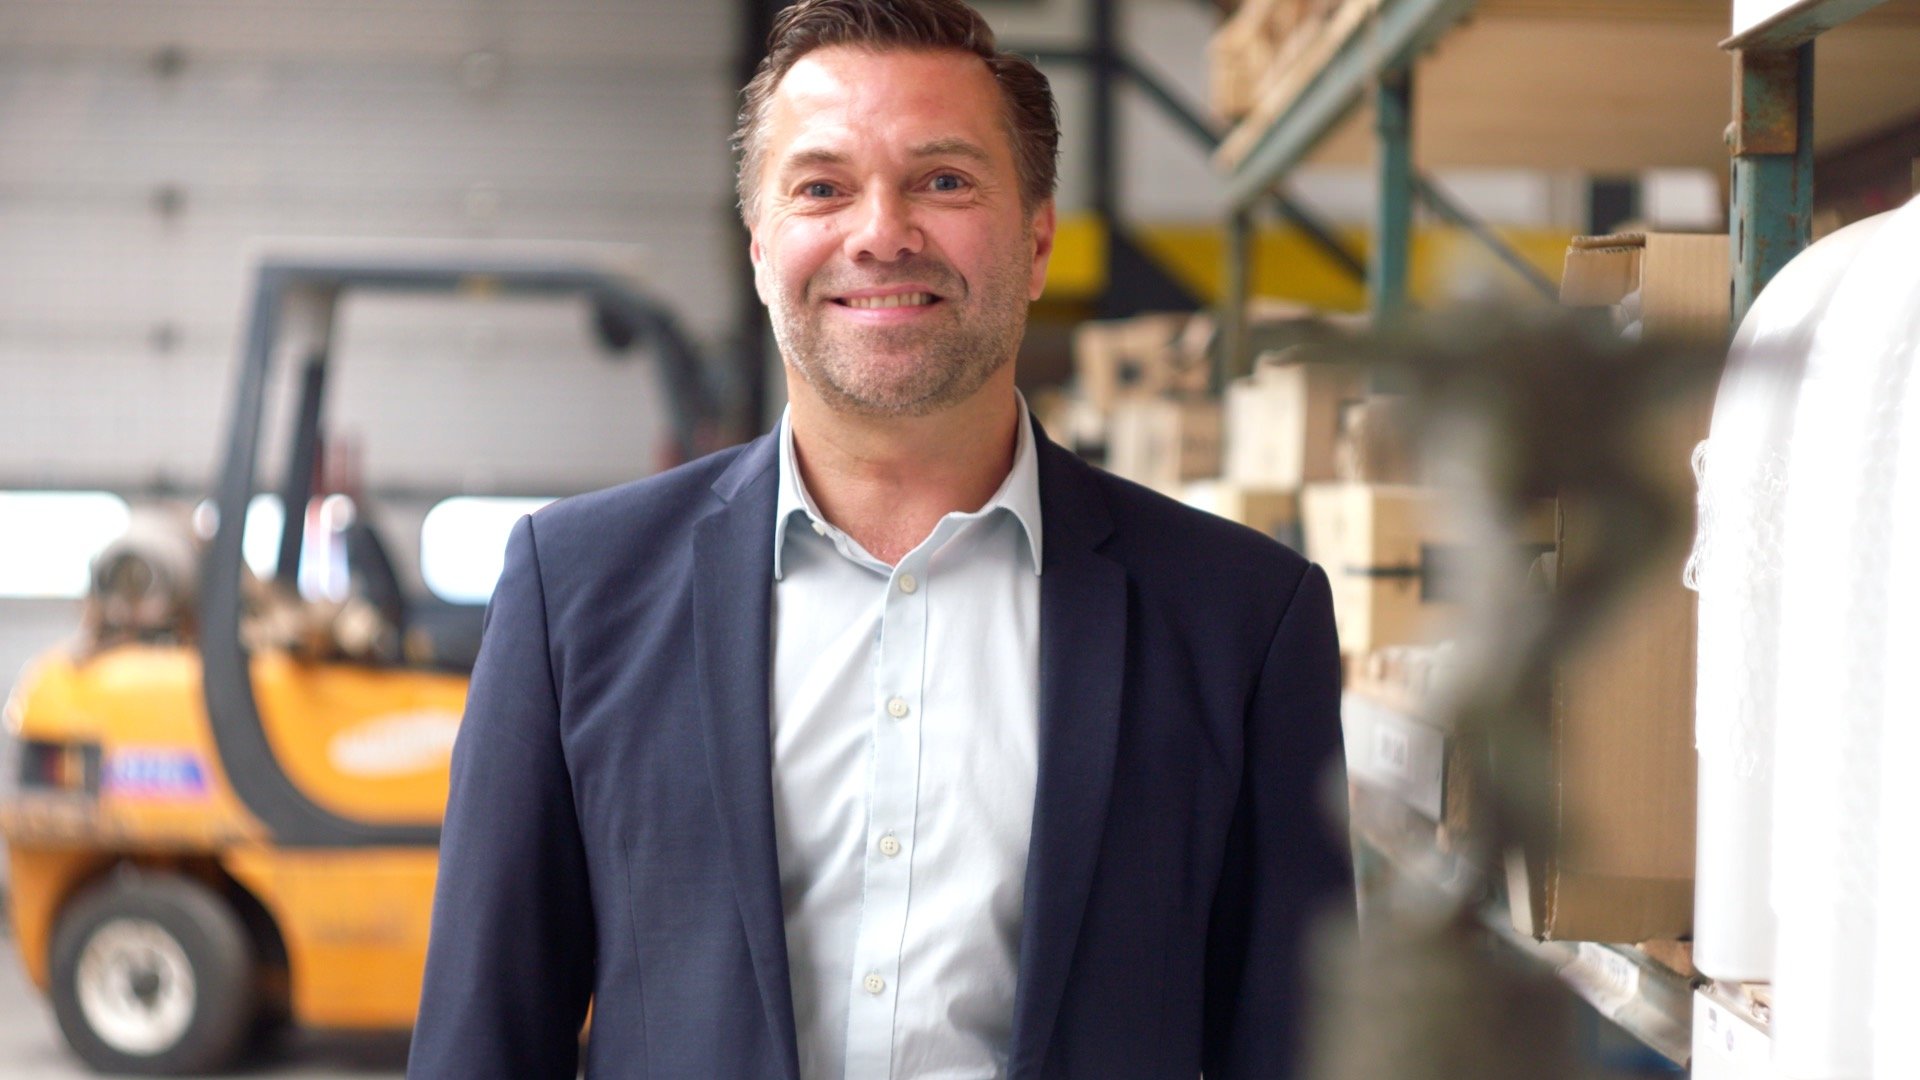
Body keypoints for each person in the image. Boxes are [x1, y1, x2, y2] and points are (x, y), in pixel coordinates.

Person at [406, 1, 1349, 1077]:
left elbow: (1298, 1044)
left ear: (1037, 242)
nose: (881, 232)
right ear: (760, 248)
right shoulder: (572, 593)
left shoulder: (1242, 621)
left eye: (943, 181)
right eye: (822, 188)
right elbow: (482, 1040)